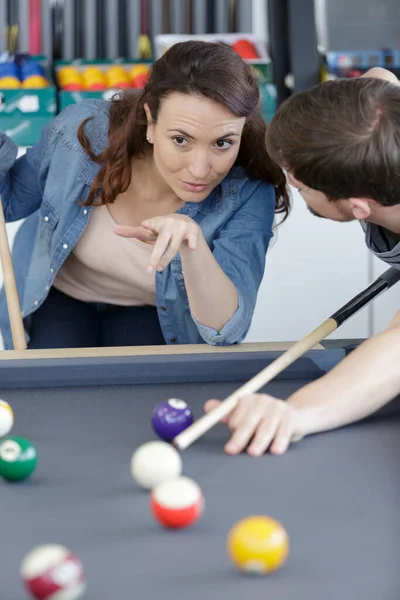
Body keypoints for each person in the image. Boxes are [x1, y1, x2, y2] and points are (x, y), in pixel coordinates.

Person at [0, 41, 289, 349]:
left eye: (222, 143)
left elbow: (226, 330)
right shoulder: (82, 134)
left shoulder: (249, 190)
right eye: (181, 140)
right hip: (60, 295)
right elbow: (9, 202)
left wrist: (193, 247)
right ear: (151, 122)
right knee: (53, 386)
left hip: (154, 311)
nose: (200, 169)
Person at [204, 66, 400, 457]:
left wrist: (295, 414)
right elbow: (380, 83)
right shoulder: (387, 111)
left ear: (359, 207)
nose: (290, 182)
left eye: (302, 186)